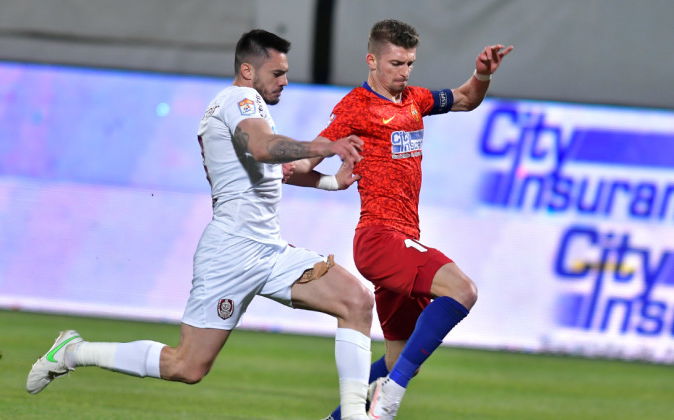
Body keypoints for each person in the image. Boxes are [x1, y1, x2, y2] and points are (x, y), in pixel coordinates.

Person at [26, 29, 375, 420]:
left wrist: (331, 181)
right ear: (248, 70)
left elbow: (275, 168)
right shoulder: (239, 100)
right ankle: (73, 352)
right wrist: (325, 146)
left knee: (356, 301)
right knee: (186, 366)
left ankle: (353, 416)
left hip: (269, 250)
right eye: (277, 73)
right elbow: (264, 148)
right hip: (230, 252)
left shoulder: (242, 106)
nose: (285, 81)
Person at [316, 20, 513, 419]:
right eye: (395, 63)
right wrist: (298, 166)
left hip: (403, 237)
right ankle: (389, 400)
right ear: (372, 60)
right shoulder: (356, 106)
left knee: (402, 358)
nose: (404, 72)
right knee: (463, 290)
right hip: (379, 237)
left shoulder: (415, 99)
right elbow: (317, 149)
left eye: (410, 63)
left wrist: (482, 75)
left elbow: (464, 99)